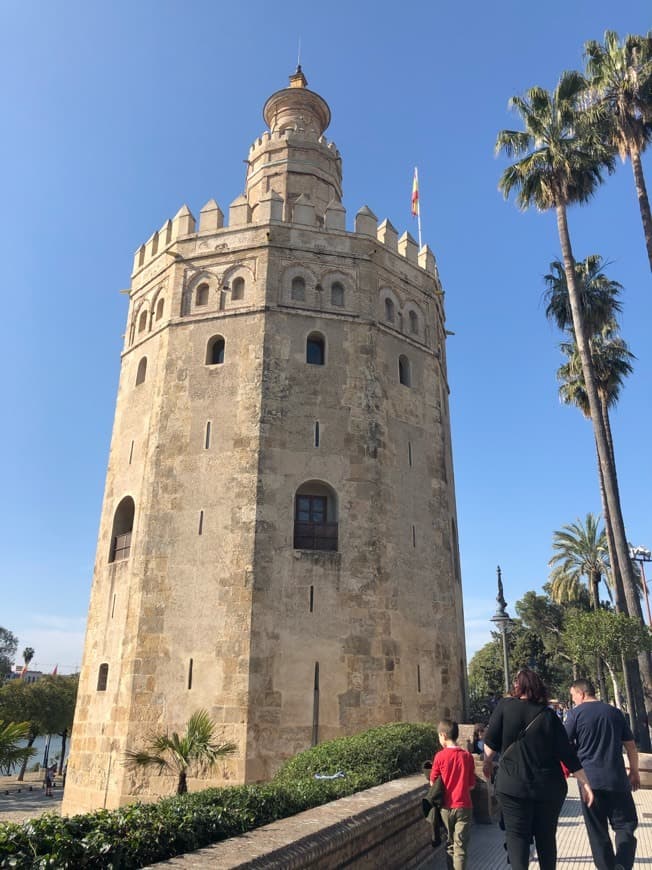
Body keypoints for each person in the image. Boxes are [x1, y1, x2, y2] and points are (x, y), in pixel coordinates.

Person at [483, 668, 594, 870]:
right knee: (546, 839)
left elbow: (490, 744)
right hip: (548, 788)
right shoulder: (548, 716)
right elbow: (567, 754)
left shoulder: (505, 706)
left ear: (518, 684)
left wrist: (487, 763)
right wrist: (585, 783)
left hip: (512, 785)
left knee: (517, 838)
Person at [565, 678, 639, 870]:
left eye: (573, 696)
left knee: (598, 833)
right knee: (625, 826)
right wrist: (634, 771)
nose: (573, 701)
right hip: (617, 780)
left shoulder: (575, 715)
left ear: (581, 693)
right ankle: (622, 863)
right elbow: (630, 745)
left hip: (589, 783)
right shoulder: (615, 713)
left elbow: (564, 746)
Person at [429, 718, 476, 870]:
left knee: (450, 845)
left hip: (445, 808)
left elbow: (433, 783)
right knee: (460, 848)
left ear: (443, 735)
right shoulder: (467, 757)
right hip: (464, 806)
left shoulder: (439, 757)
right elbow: (471, 785)